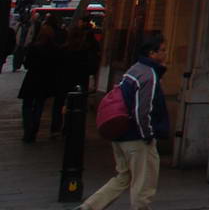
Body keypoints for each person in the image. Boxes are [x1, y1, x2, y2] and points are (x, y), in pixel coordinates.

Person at [81, 31, 169, 210]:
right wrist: (148, 135)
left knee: (123, 178)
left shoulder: (134, 69)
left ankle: (89, 207)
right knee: (144, 187)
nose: (165, 53)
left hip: (120, 134)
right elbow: (142, 110)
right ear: (152, 53)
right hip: (136, 138)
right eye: (163, 50)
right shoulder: (149, 75)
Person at [18, 19, 65, 143]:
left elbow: (27, 64)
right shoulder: (56, 49)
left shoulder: (34, 47)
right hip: (45, 80)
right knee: (39, 105)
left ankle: (28, 129)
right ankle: (34, 128)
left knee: (27, 106)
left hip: (32, 79)